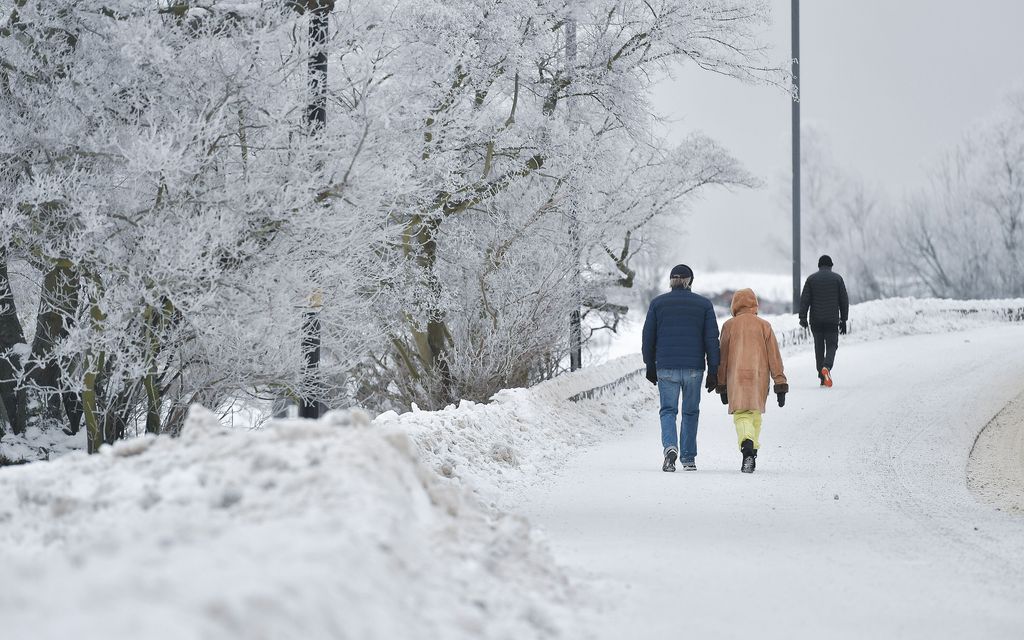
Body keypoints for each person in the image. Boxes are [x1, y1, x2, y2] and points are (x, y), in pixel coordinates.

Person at [642, 264, 720, 472]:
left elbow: (648, 337)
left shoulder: (658, 304)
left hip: (666, 366)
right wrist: (714, 369)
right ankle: (688, 458)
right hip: (694, 368)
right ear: (690, 281)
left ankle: (670, 448)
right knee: (690, 412)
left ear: (671, 281)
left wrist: (650, 364)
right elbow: (712, 339)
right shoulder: (704, 305)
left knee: (668, 410)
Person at [715, 288, 788, 473]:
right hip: (758, 378)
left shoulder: (729, 326)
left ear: (735, 305)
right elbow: (774, 358)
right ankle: (752, 451)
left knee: (741, 416)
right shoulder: (764, 326)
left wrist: (722, 384)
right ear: (755, 304)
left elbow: (722, 358)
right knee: (755, 414)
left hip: (736, 379)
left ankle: (747, 447)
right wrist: (779, 383)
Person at [798, 254, 849, 388]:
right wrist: (843, 320)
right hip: (832, 320)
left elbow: (805, 299)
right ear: (831, 266)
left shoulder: (811, 279)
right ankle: (826, 367)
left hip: (816, 321)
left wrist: (802, 317)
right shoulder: (837, 279)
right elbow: (844, 301)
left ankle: (822, 377)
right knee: (832, 345)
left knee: (819, 348)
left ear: (819, 266)